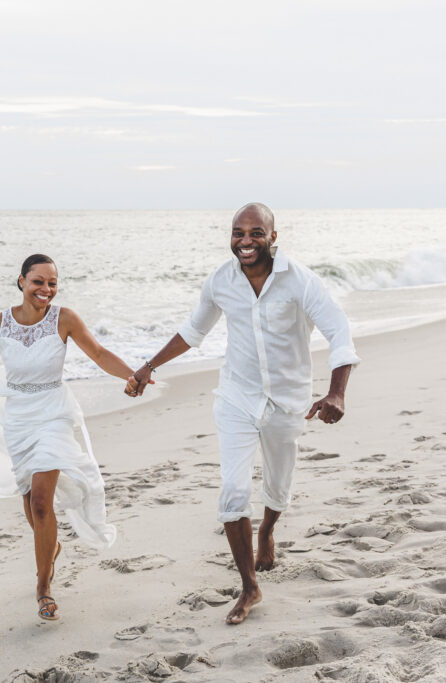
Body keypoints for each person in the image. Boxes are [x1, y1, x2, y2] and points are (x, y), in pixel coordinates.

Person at [125, 203, 359, 625]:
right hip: (236, 396)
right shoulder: (221, 280)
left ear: (273, 237)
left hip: (287, 401)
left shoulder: (300, 280)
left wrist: (336, 392)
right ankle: (249, 586)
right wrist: (148, 366)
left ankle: (266, 530)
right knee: (233, 491)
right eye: (238, 233)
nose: (245, 241)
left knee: (278, 485)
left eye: (255, 233)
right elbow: (193, 332)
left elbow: (338, 330)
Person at [0, 254, 146, 622]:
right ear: (21, 281)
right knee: (31, 504)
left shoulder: (65, 319)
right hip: (18, 419)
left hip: (53, 413)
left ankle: (43, 586)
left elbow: (98, 353)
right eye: (38, 281)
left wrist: (133, 375)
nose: (46, 289)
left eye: (52, 283)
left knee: (40, 501)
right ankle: (50, 547)